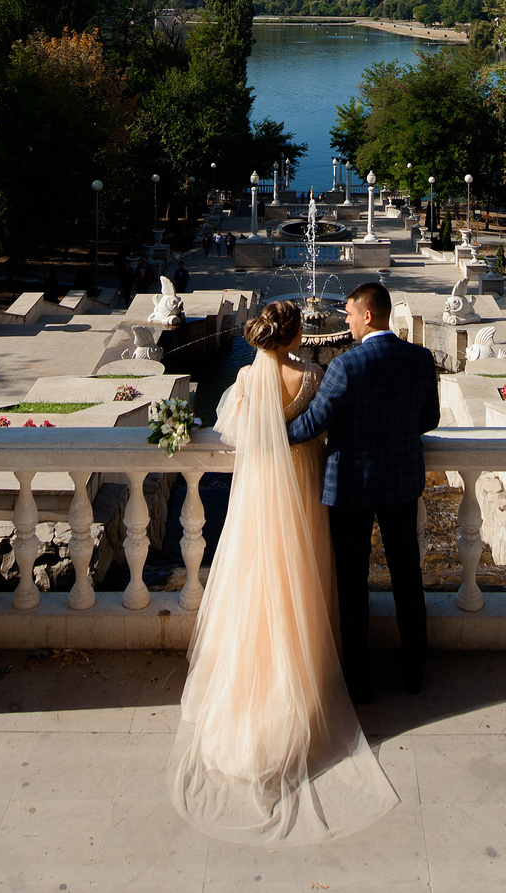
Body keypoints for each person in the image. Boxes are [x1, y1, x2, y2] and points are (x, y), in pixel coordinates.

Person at [168, 301, 398, 845]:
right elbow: (324, 424)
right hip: (300, 482)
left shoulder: (246, 377)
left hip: (258, 489)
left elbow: (233, 432)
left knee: (253, 577)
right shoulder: (314, 373)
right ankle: (307, 674)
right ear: (296, 335)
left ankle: (252, 682)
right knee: (303, 575)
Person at [286, 280, 437, 701]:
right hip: (401, 483)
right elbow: (431, 418)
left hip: (350, 486)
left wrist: (272, 433)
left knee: (352, 583)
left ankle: (358, 679)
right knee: (408, 576)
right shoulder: (421, 360)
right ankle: (413, 670)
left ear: (368, 315)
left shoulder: (346, 366)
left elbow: (313, 423)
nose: (347, 321)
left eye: (350, 314)